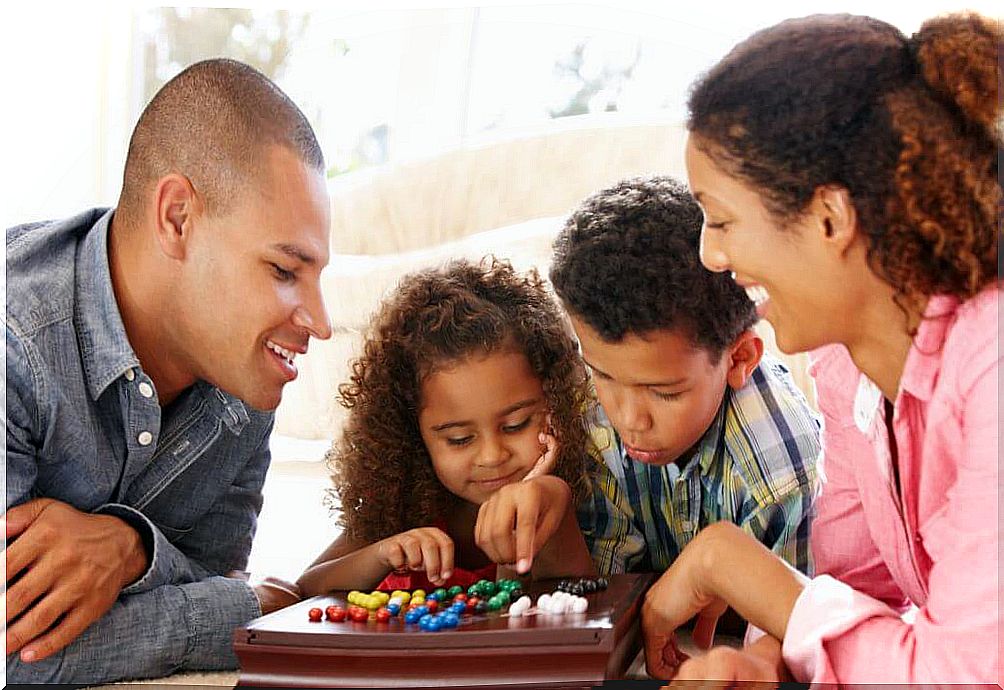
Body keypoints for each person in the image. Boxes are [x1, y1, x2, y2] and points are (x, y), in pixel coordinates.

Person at [640, 12, 1001, 685]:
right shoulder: (847, 358)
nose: (709, 254)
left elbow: (967, 674)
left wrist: (731, 563)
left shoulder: (993, 365)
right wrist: (762, 661)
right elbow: (856, 587)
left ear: (830, 218)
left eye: (720, 220)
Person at [5, 58, 332, 684]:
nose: (319, 321)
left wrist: (130, 549)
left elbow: (211, 571)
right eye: (285, 271)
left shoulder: (245, 391)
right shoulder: (13, 344)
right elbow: (11, 652)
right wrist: (245, 610)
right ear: (177, 217)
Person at [549, 176, 821, 595]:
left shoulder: (781, 471)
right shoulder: (583, 415)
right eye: (602, 375)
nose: (628, 419)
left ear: (739, 359)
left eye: (664, 393)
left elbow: (790, 627)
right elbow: (599, 594)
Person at [297, 258, 596, 595]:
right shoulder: (407, 510)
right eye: (460, 439)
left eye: (516, 425)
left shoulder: (576, 500)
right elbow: (304, 589)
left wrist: (541, 507)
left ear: (555, 402)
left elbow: (574, 614)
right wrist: (382, 554)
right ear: (413, 436)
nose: (492, 455)